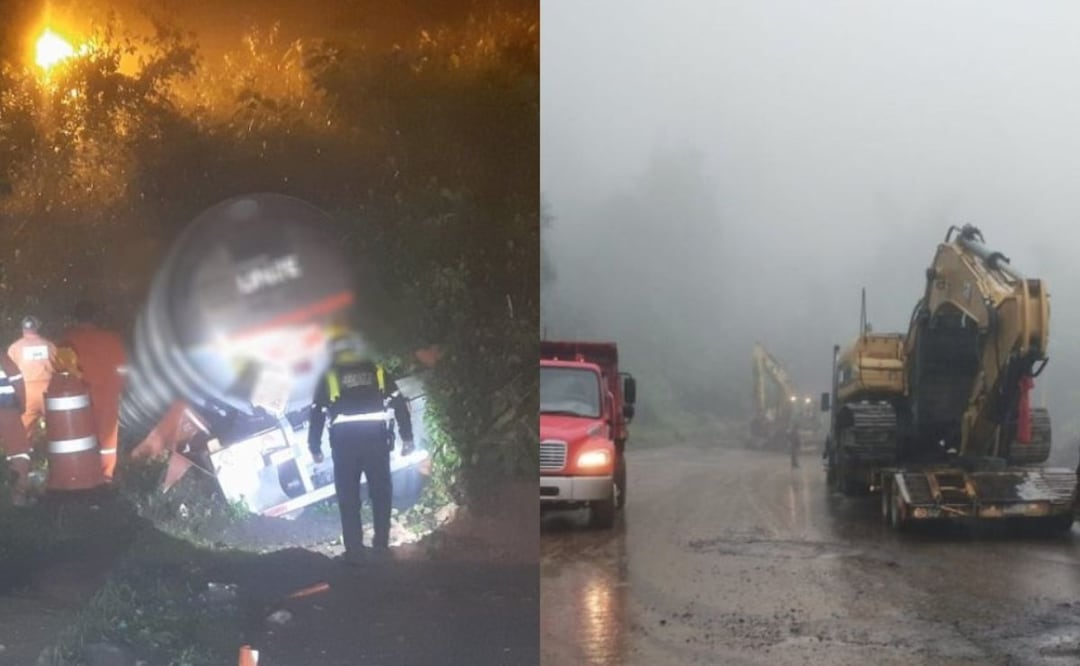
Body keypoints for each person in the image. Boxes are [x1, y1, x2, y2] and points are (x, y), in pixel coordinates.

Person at [308, 331, 414, 564]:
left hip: (345, 447)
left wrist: (314, 447)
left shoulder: (330, 377)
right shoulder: (376, 371)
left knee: (348, 498)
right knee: (381, 495)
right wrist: (407, 438)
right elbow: (398, 404)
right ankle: (381, 546)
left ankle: (355, 550)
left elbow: (316, 411)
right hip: (376, 443)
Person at [60, 301, 128, 480]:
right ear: (96, 318)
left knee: (80, 439)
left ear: (75, 319)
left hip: (80, 399)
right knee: (107, 440)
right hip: (108, 396)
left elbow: (61, 372)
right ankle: (106, 477)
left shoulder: (68, 340)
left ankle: (81, 478)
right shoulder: (112, 339)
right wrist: (119, 388)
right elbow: (123, 368)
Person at [8, 316, 56, 441]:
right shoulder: (49, 345)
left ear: (23, 329)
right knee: (56, 425)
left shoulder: (15, 348)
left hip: (27, 391)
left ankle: (24, 454)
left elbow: (9, 372)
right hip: (49, 389)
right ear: (37, 328)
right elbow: (58, 366)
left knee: (24, 430)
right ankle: (56, 453)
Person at [0, 351, 30, 505]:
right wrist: (22, 405)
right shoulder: (2, 358)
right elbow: (17, 379)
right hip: (6, 409)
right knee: (19, 452)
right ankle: (18, 497)